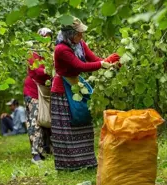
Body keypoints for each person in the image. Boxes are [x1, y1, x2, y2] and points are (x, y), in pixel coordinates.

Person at [51, 17, 120, 171]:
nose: (81, 36)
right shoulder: (61, 49)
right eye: (78, 33)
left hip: (77, 85)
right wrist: (102, 64)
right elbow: (80, 65)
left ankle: (86, 162)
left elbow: (94, 60)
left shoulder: (80, 44)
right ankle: (69, 166)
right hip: (63, 89)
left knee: (83, 120)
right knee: (68, 126)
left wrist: (109, 63)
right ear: (70, 34)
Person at [23, 28, 53, 164]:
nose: (46, 40)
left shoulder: (49, 54)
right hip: (33, 92)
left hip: (46, 92)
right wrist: (50, 70)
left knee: (46, 120)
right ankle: (35, 153)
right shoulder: (32, 54)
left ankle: (46, 149)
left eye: (49, 37)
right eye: (44, 37)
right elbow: (38, 71)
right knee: (35, 121)